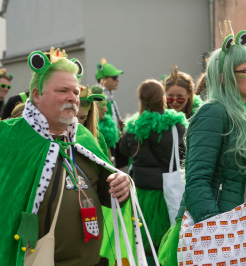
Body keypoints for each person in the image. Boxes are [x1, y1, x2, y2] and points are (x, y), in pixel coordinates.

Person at [0, 47, 131, 266]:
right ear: (37, 95)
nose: (72, 98)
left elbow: (108, 197)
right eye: (63, 91)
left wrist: (123, 185)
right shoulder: (5, 137)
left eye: (76, 92)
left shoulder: (86, 138)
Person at [159, 24, 246, 265]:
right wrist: (215, 228)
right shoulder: (213, 112)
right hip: (220, 230)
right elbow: (197, 180)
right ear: (224, 75)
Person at [119, 79, 187, 265]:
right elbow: (185, 151)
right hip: (169, 192)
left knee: (144, 241)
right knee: (171, 238)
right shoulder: (176, 125)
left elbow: (124, 150)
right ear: (163, 98)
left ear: (141, 100)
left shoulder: (133, 128)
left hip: (142, 194)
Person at [96, 58, 128, 169]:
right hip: (107, 146)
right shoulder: (98, 98)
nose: (117, 80)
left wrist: (120, 124)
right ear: (103, 79)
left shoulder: (110, 99)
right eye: (114, 77)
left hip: (115, 143)